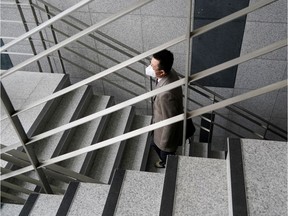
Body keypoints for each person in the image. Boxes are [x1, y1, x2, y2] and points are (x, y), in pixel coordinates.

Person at [145, 49, 183, 168]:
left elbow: (169, 123)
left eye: (152, 67)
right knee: (153, 144)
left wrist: (164, 145)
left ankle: (165, 163)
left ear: (161, 72)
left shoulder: (166, 95)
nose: (149, 68)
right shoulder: (170, 72)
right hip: (159, 126)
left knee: (163, 152)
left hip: (164, 136)